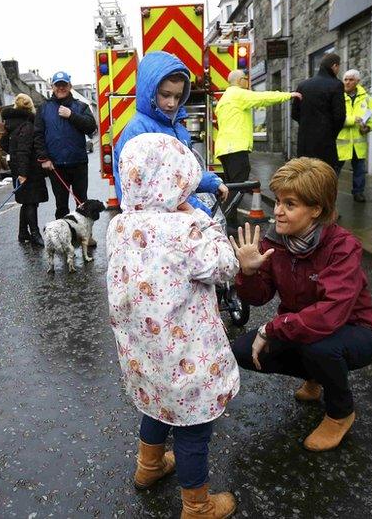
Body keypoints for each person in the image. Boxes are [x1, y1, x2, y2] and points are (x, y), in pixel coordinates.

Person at [107, 133, 238, 518]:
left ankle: (148, 468)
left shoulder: (120, 225)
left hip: (143, 353)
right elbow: (225, 267)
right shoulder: (186, 231)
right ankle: (196, 507)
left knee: (156, 406)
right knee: (193, 426)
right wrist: (205, 220)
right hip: (186, 357)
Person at [229, 157, 372, 452]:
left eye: (290, 204)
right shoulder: (275, 242)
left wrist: (272, 328)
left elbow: (330, 314)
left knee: (320, 347)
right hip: (303, 327)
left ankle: (340, 412)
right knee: (243, 351)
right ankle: (316, 375)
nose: (277, 211)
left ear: (316, 209)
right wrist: (248, 273)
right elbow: (259, 296)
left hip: (356, 330)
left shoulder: (342, 246)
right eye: (278, 202)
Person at [113, 51, 229, 215]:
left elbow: (182, 173)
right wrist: (200, 211)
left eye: (178, 96)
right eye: (165, 95)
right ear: (150, 91)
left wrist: (211, 181)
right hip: (157, 224)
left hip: (175, 220)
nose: (172, 103)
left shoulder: (177, 128)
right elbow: (159, 190)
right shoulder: (139, 132)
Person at [214, 69, 300, 183]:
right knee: (239, 187)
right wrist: (289, 95)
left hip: (224, 149)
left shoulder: (225, 98)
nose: (247, 82)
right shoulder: (238, 94)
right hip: (235, 148)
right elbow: (263, 98)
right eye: (246, 79)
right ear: (240, 80)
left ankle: (225, 201)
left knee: (232, 186)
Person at [34, 71, 97, 220]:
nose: (61, 88)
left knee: (82, 202)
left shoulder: (81, 106)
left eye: (64, 85)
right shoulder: (43, 109)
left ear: (70, 86)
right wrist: (44, 158)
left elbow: (91, 127)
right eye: (58, 85)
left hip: (78, 163)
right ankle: (62, 237)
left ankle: (85, 237)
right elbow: (38, 135)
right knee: (61, 205)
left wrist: (71, 115)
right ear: (52, 87)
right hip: (56, 165)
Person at [2, 93, 47, 246]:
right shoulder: (27, 125)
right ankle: (35, 233)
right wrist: (23, 173)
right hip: (29, 170)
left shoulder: (11, 124)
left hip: (20, 167)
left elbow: (3, 144)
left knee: (26, 202)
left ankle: (22, 232)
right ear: (30, 107)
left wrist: (13, 154)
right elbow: (24, 150)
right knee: (31, 202)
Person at [291, 53, 346, 166]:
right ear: (335, 66)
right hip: (325, 142)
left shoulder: (303, 85)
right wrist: (330, 132)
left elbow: (294, 113)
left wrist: (307, 125)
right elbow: (339, 116)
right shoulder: (336, 85)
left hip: (304, 141)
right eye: (338, 67)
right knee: (324, 177)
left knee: (305, 175)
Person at [335, 70, 372, 203]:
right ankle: (329, 195)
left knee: (359, 170)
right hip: (341, 143)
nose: (347, 82)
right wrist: (353, 120)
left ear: (357, 81)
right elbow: (335, 118)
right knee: (334, 172)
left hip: (358, 143)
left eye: (351, 80)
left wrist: (369, 127)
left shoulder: (367, 99)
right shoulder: (338, 97)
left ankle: (358, 192)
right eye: (346, 79)